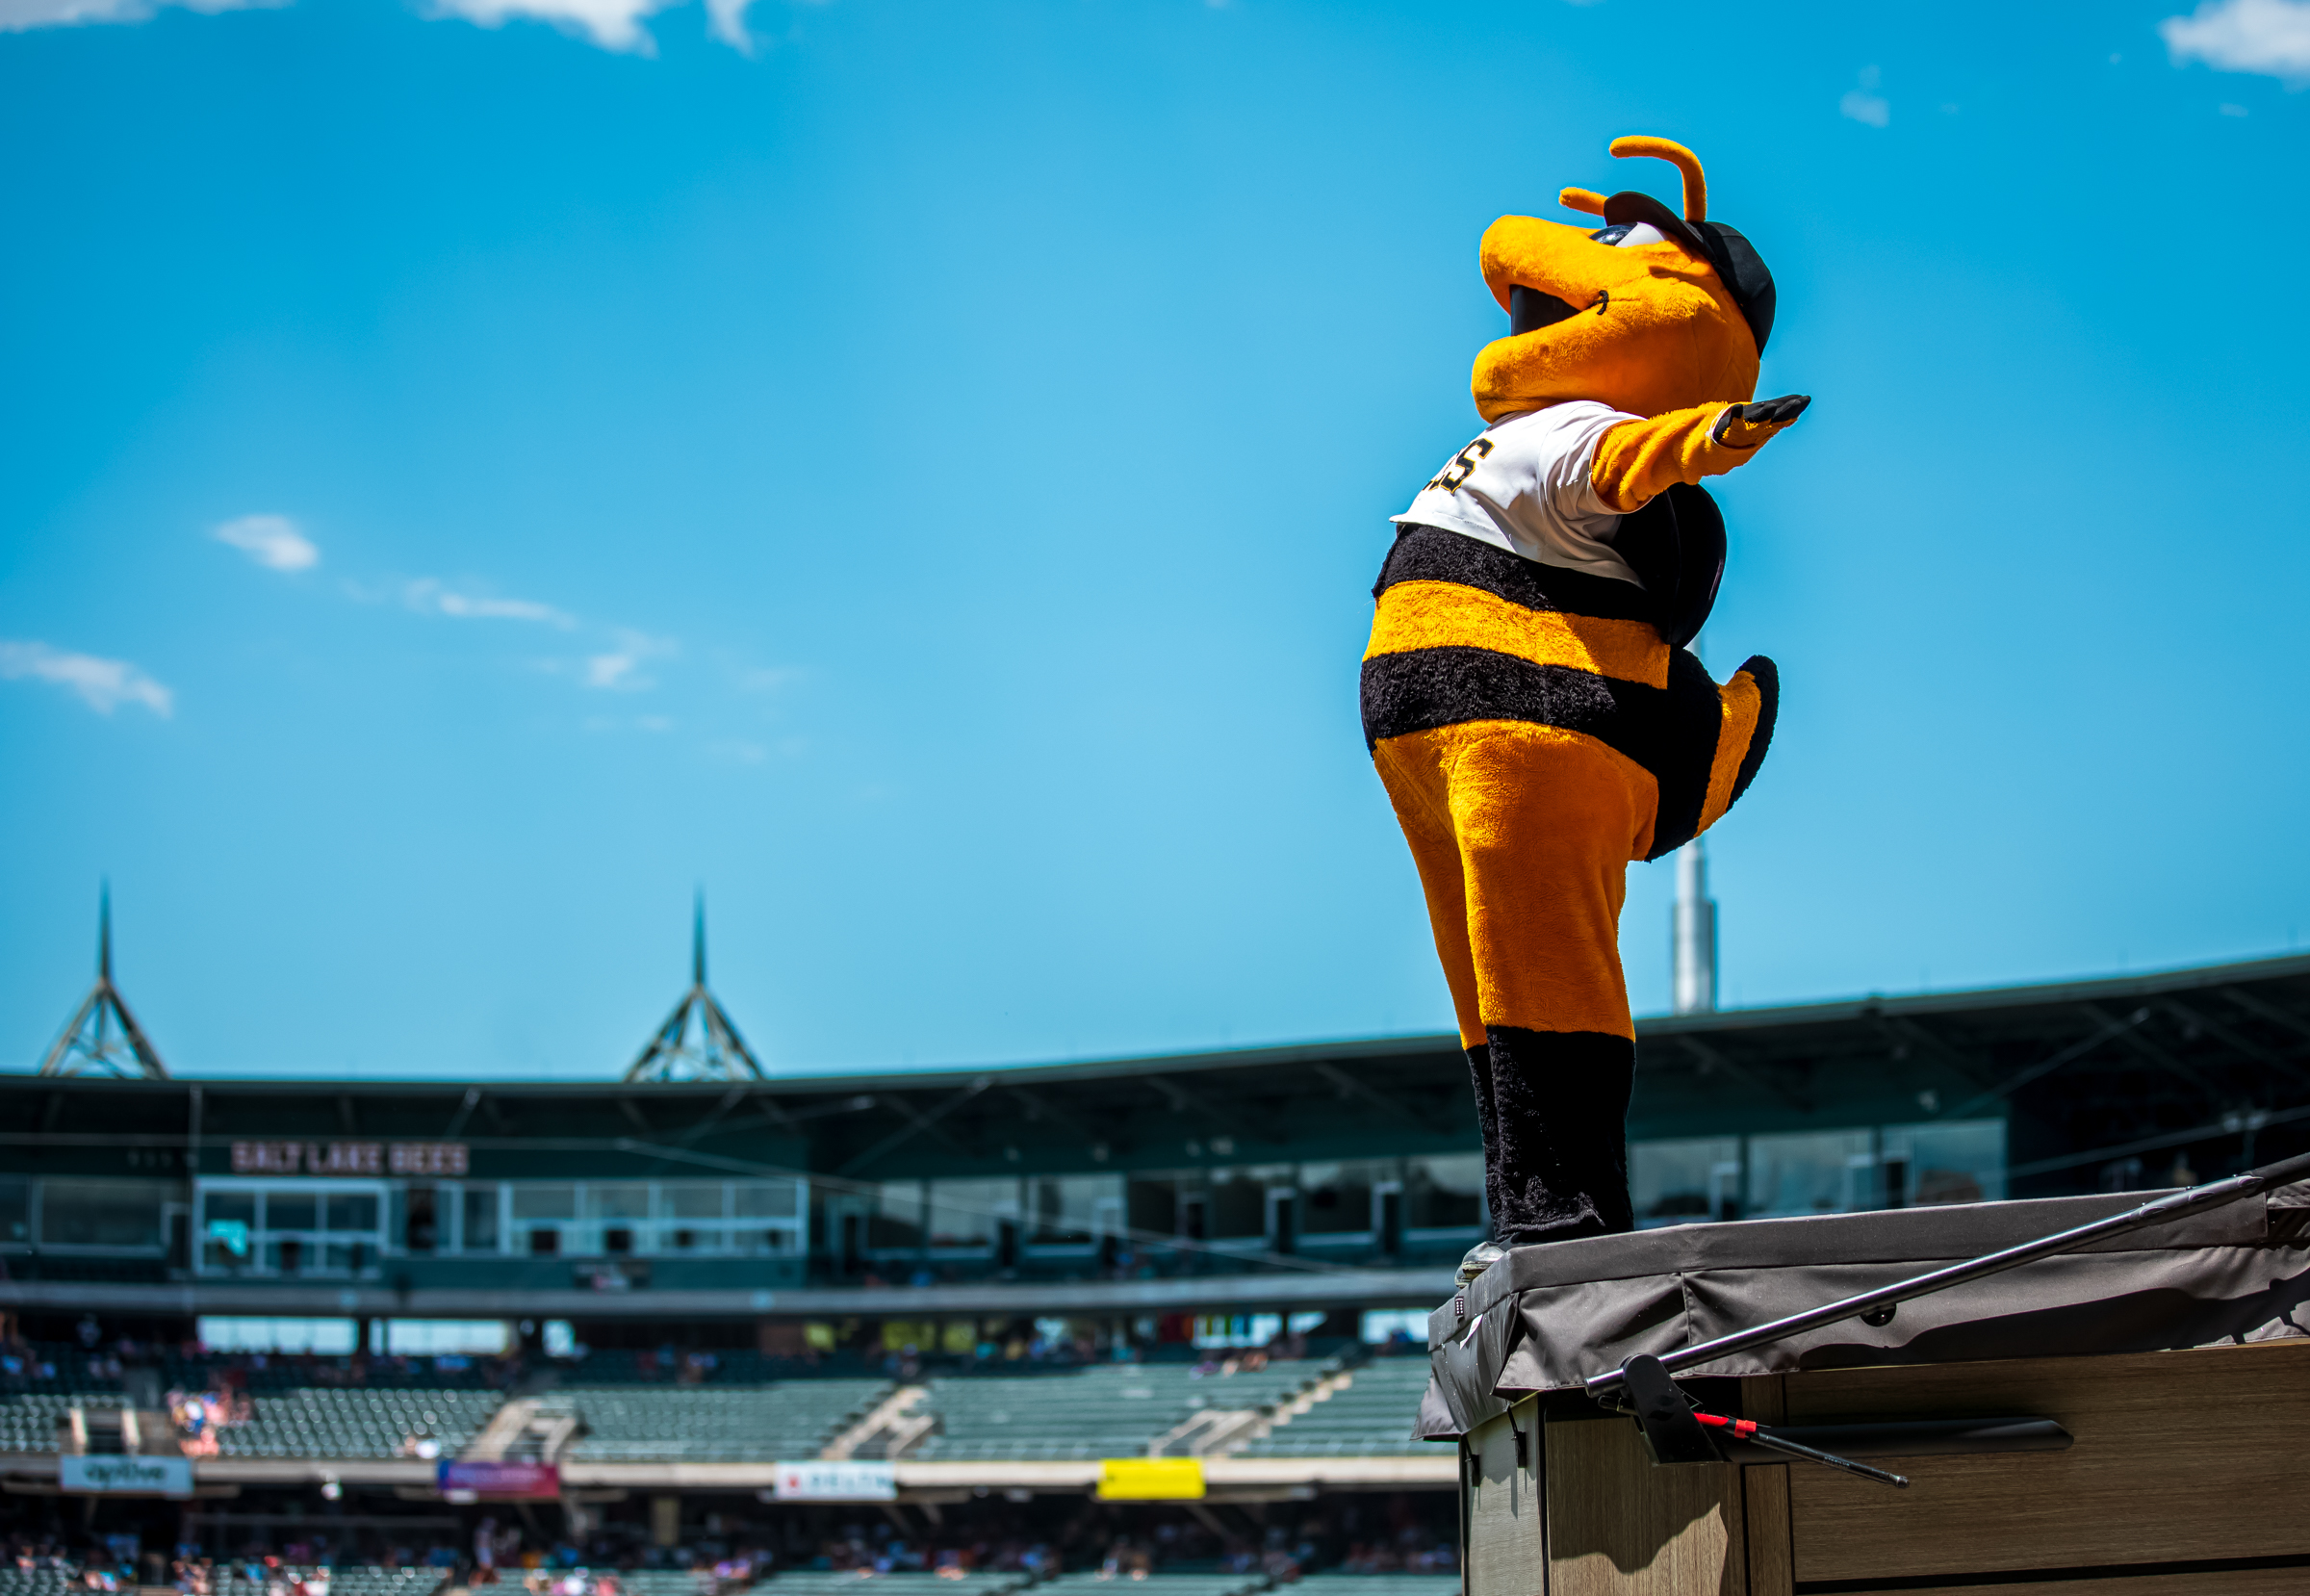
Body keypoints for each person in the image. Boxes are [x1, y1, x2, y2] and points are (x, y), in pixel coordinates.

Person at [1365, 137, 1801, 1279]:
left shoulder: (1569, 428)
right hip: (1450, 720)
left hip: (1525, 719)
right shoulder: (1523, 427)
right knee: (1489, 984)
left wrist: (1706, 437)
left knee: (1536, 974)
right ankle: (1534, 1207)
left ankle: (1567, 1222)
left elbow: (1629, 459)